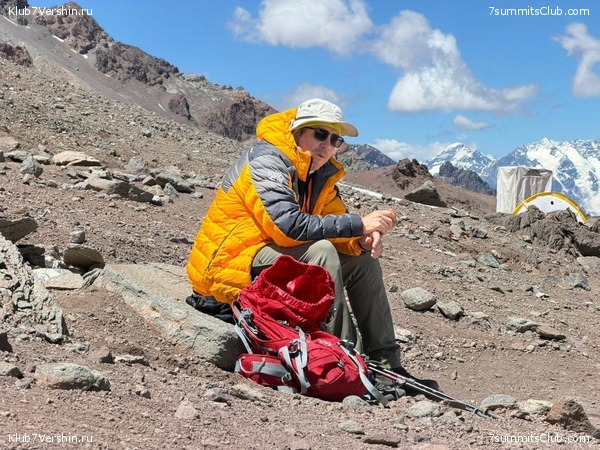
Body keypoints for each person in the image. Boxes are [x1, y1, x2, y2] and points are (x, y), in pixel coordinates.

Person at [186, 98, 437, 388]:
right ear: (298, 132)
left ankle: (387, 364)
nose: (327, 145)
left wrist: (362, 239)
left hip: (268, 257)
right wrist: (359, 223)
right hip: (230, 266)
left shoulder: (318, 175)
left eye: (335, 139)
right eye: (320, 134)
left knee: (361, 260)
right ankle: (348, 361)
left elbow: (337, 225)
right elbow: (288, 228)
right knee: (321, 251)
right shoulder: (267, 161)